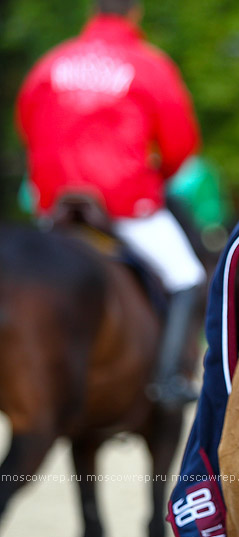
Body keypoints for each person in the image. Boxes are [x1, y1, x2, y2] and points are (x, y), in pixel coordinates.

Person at [15, 0, 206, 406]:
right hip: (123, 203)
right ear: (134, 12)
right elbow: (180, 144)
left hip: (56, 206)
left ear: (92, 9)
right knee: (187, 276)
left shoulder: (51, 62)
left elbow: (25, 124)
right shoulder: (149, 63)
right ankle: (167, 379)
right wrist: (157, 177)